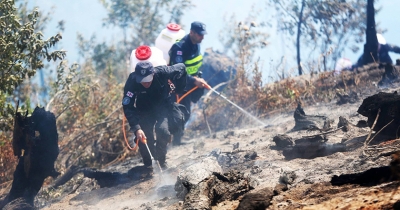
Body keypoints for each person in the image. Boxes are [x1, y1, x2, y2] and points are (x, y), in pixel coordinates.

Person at [122, 61, 186, 169]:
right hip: (144, 110)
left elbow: (182, 67)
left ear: (153, 73)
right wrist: (137, 128)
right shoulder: (132, 81)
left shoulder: (163, 72)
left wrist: (179, 89)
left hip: (163, 107)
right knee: (143, 138)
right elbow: (127, 106)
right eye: (142, 80)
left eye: (147, 80)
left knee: (163, 131)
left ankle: (161, 161)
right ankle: (149, 165)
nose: (145, 83)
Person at [168, 21, 210, 145]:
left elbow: (193, 66)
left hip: (190, 82)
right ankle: (175, 141)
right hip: (178, 85)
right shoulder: (179, 48)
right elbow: (177, 72)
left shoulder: (196, 45)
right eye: (199, 35)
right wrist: (194, 80)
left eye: (203, 35)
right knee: (182, 112)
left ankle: (176, 139)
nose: (202, 37)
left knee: (186, 111)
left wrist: (198, 79)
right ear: (191, 32)